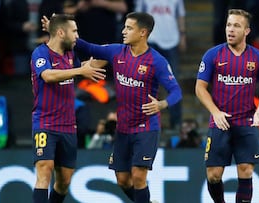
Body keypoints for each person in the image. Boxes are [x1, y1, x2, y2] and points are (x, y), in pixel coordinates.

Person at [72, 11, 182, 203]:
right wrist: (63, 32)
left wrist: (162, 104)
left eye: (129, 28)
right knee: (123, 180)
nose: (123, 31)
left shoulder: (157, 61)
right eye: (124, 26)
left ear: (143, 33)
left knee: (139, 177)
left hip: (146, 127)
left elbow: (176, 92)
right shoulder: (116, 51)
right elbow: (88, 47)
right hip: (123, 128)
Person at [195, 9, 259, 203]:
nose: (230, 29)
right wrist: (215, 112)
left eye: (236, 26)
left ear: (247, 31)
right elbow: (200, 88)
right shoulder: (213, 55)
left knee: (246, 170)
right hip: (220, 121)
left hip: (246, 121)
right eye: (229, 25)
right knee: (213, 174)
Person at [30, 14, 105, 203]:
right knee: (44, 169)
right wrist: (81, 70)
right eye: (74, 31)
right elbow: (48, 76)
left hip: (68, 126)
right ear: (61, 32)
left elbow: (89, 66)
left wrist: (114, 52)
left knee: (64, 182)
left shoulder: (71, 55)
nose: (77, 36)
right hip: (45, 123)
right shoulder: (41, 53)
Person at [134, 0, 187, 130]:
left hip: (172, 40)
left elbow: (180, 15)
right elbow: (137, 17)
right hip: (151, 40)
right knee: (145, 82)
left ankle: (176, 123)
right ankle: (143, 120)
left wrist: (182, 35)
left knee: (173, 83)